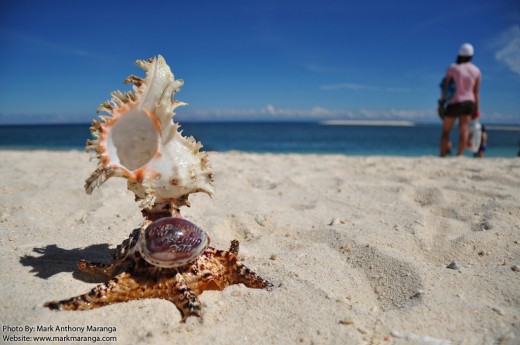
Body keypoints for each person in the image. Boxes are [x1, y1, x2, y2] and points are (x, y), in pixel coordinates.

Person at [439, 43, 481, 157]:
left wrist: (442, 102)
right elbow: (476, 92)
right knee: (464, 129)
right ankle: (459, 155)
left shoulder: (453, 68)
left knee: (446, 131)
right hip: (469, 102)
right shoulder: (476, 71)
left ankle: (442, 155)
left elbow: (445, 87)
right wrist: (477, 109)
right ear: (471, 56)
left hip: (455, 102)